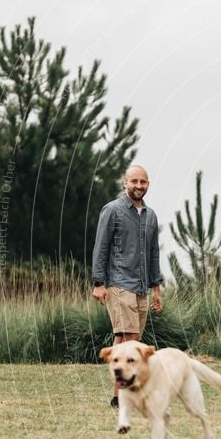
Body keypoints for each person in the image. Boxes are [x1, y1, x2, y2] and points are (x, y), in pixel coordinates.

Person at [92, 165, 163, 407]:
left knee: (127, 339)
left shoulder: (151, 215)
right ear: (125, 183)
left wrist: (156, 288)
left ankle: (117, 396)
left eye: (143, 182)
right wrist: (98, 283)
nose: (138, 186)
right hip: (118, 283)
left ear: (148, 184)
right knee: (131, 340)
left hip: (142, 286)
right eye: (134, 181)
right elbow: (100, 247)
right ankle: (126, 395)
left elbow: (154, 253)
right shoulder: (112, 210)